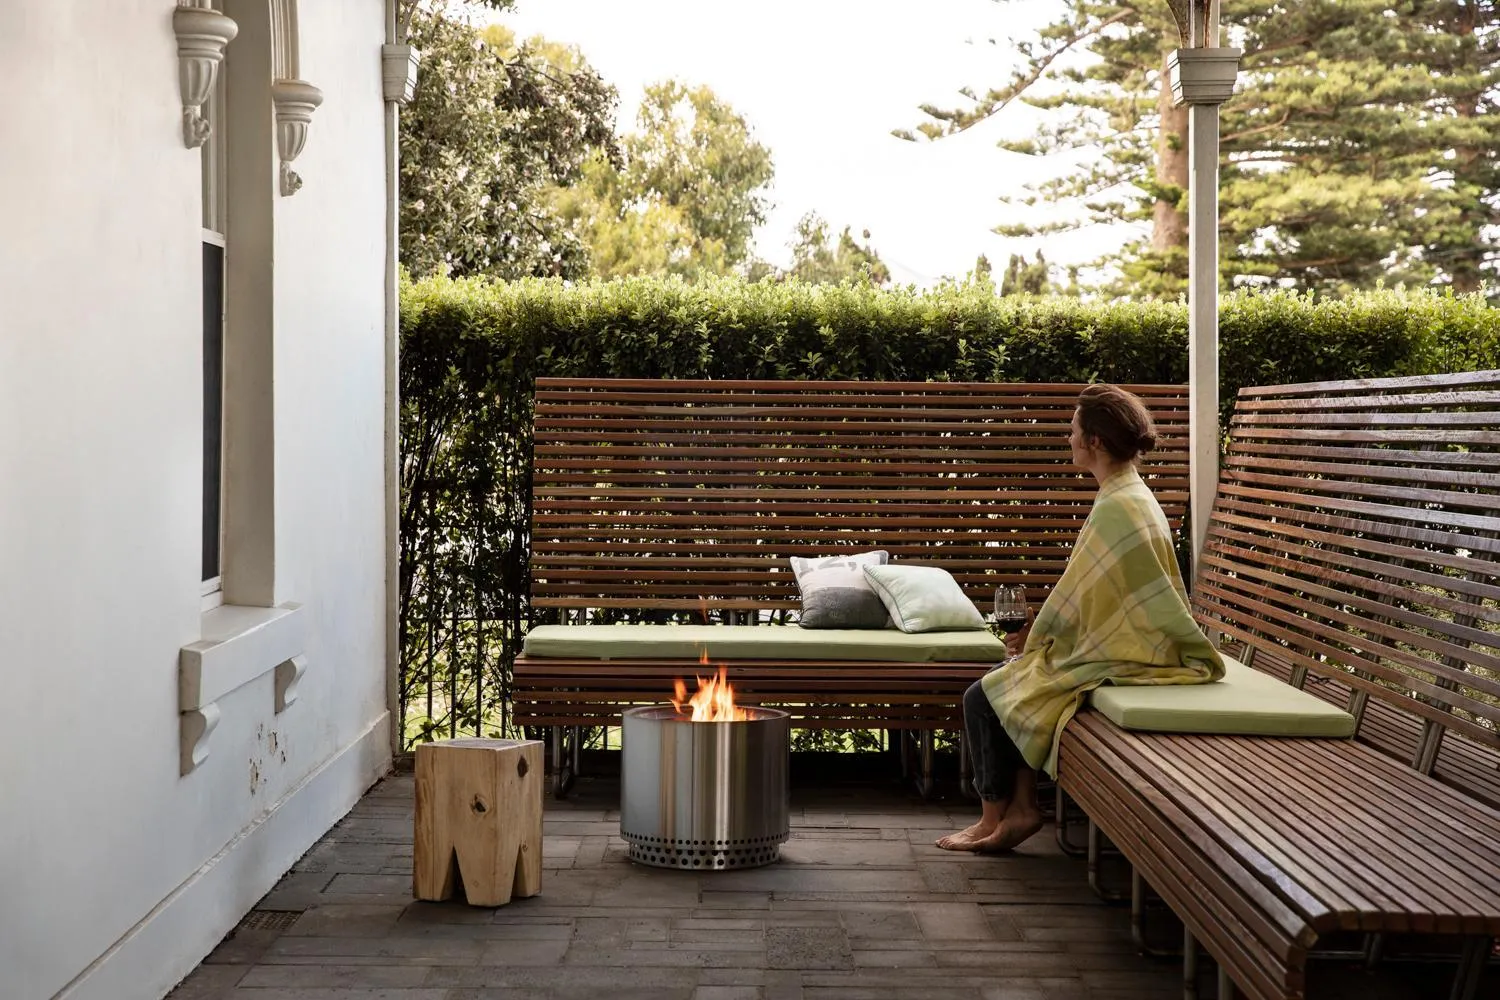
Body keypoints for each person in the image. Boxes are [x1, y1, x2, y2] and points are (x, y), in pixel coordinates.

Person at [936, 383, 1225, 854]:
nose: (1067, 439)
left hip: (1133, 652)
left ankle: (994, 818)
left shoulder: (1118, 505)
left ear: (1094, 442)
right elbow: (1097, 594)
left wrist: (1039, 638)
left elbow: (1083, 596)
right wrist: (1043, 637)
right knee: (1010, 682)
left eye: (1072, 431)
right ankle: (1019, 810)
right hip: (1130, 640)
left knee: (983, 694)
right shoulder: (1128, 493)